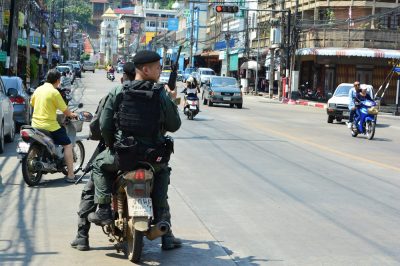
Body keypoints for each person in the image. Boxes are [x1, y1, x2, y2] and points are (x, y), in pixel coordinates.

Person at [88, 51, 181, 250]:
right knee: (163, 172)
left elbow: (104, 125)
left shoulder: (118, 91)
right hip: (152, 159)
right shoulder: (161, 94)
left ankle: (104, 208)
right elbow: (174, 125)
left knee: (99, 165)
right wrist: (172, 101)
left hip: (124, 157)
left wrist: (113, 145)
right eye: (157, 67)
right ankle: (163, 218)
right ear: (145, 70)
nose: (160, 70)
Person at [30, 69, 78, 182]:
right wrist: (72, 114)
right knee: (67, 145)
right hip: (49, 126)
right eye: (59, 80)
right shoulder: (54, 92)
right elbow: (65, 111)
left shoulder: (38, 89)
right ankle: (71, 175)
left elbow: (32, 103)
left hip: (35, 125)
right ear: (57, 80)